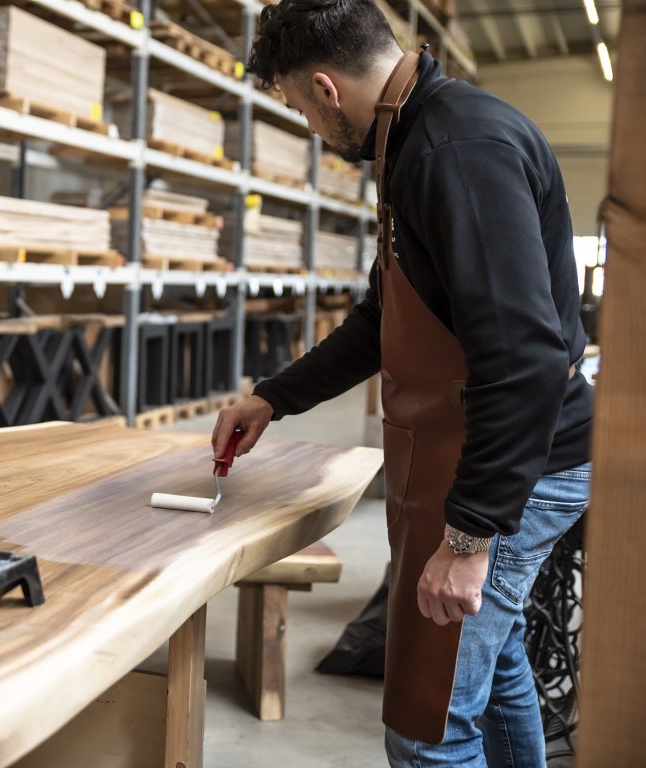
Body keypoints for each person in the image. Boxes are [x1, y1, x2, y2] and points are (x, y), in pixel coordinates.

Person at [211, 1, 594, 765]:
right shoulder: (416, 137)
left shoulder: (454, 150)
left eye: (299, 111)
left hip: (520, 467)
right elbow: (381, 320)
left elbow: (523, 356)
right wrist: (272, 397)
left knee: (428, 725)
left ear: (325, 88)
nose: (315, 137)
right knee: (496, 659)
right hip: (487, 454)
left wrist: (470, 535)